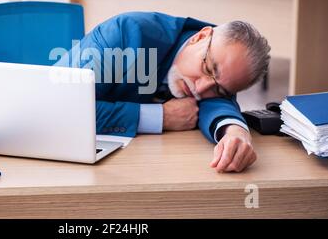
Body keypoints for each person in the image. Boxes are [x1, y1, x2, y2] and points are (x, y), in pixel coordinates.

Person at [55, 12, 271, 173]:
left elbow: (219, 104)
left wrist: (235, 131)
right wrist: (160, 117)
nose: (201, 88)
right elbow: (65, 109)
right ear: (200, 37)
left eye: (218, 88)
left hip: (131, 166)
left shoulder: (221, 60)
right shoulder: (125, 34)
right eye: (206, 69)